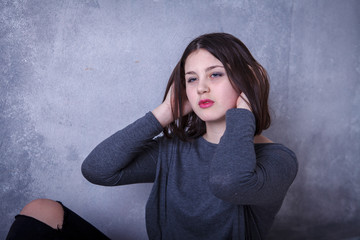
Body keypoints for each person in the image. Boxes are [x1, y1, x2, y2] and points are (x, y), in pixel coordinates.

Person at [6, 32, 298, 240]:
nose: (201, 88)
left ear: (247, 80)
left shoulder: (278, 160)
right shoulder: (174, 151)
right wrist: (165, 113)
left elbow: (228, 182)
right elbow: (97, 170)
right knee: (41, 210)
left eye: (216, 74)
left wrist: (244, 114)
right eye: (192, 79)